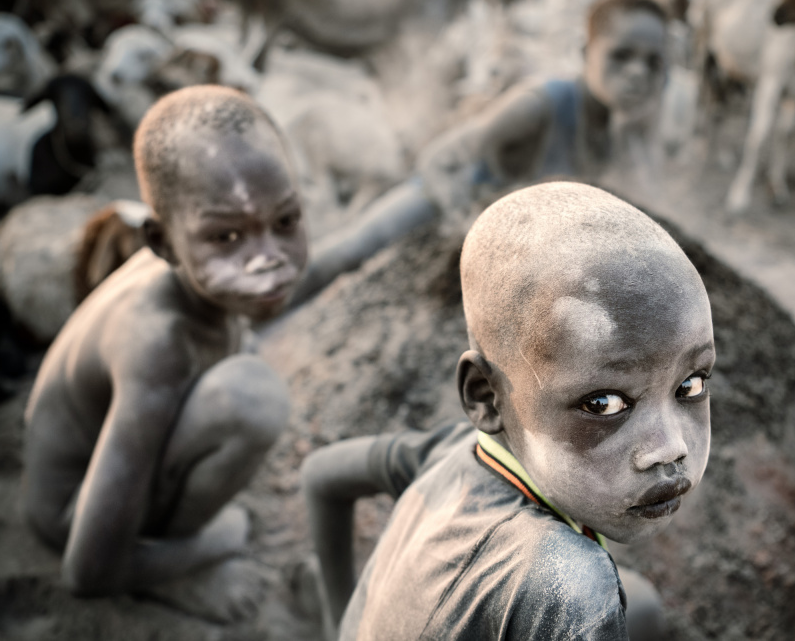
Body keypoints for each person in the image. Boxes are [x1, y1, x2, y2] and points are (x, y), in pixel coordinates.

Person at [299, 181, 715, 639]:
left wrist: (336, 624)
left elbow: (322, 475)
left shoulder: (448, 453)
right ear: (486, 397)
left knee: (641, 608)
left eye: (690, 385)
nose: (669, 448)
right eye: (604, 404)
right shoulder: (571, 587)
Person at [21, 85, 307, 622]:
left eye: (286, 222)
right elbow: (85, 573)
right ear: (162, 241)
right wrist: (217, 540)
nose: (267, 260)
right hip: (76, 514)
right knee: (251, 398)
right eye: (227, 237)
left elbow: (312, 268)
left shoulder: (197, 273)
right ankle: (172, 557)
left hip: (119, 464)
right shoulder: (158, 344)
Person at [286, 0, 670, 306]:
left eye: (654, 63)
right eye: (621, 55)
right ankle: (258, 311)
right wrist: (460, 219)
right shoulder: (543, 103)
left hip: (506, 255)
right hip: (439, 204)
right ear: (587, 52)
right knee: (347, 253)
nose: (638, 73)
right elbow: (440, 158)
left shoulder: (618, 140)